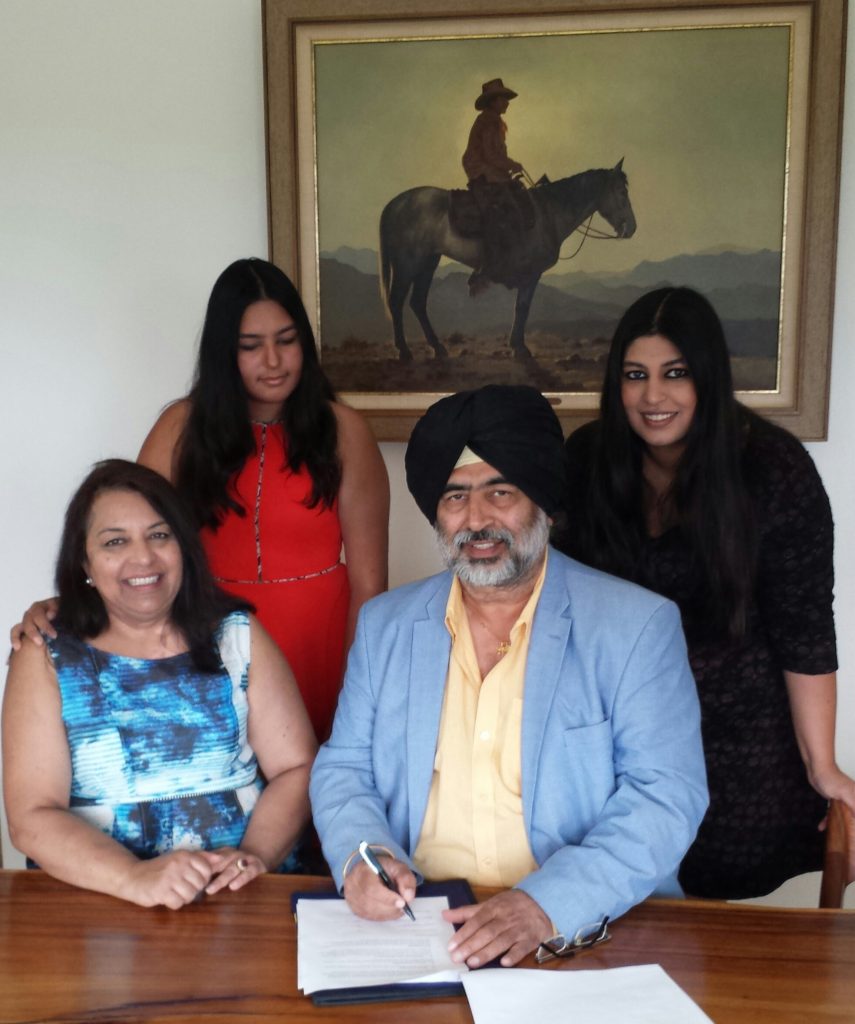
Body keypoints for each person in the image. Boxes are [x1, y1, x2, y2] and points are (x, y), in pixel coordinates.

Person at [310, 385, 708, 967]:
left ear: (543, 503)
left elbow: (666, 797)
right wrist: (364, 858)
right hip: (420, 926)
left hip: (580, 929)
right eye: (454, 497)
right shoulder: (385, 626)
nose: (477, 520)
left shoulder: (636, 627)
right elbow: (344, 768)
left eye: (502, 492)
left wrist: (545, 905)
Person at [554, 286, 855, 899]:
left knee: (712, 939)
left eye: (676, 374)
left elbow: (804, 632)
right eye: (635, 375)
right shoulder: (586, 461)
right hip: (613, 736)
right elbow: (555, 608)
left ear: (709, 379)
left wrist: (821, 764)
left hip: (741, 742)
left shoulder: (774, 469)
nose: (652, 396)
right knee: (609, 899)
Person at [14, 258, 389, 742]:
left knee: (318, 790)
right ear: (222, 353)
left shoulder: (345, 431)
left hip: (323, 642)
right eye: (250, 346)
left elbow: (369, 583)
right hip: (207, 634)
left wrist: (362, 688)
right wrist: (69, 601)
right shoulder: (180, 428)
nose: (273, 361)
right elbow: (128, 540)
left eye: (287, 340)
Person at [3, 460, 317, 909]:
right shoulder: (45, 652)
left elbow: (297, 767)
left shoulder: (236, 634)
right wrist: (134, 878)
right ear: (84, 561)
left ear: (183, 548)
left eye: (159, 534)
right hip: (97, 900)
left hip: (243, 893)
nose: (143, 557)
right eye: (115, 541)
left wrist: (254, 855)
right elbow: (31, 817)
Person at [461, 79, 529, 295]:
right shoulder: (488, 122)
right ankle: (486, 267)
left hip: (492, 171)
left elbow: (497, 155)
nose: (507, 103)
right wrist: (512, 165)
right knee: (501, 210)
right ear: (493, 102)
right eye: (503, 99)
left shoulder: (495, 122)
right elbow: (491, 156)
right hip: (481, 171)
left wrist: (508, 168)